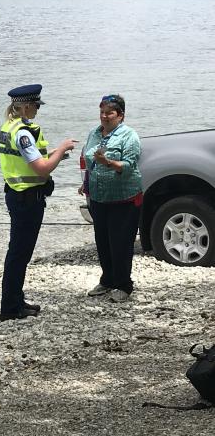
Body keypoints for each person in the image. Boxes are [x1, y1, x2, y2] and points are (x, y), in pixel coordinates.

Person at [0, 84, 78, 321]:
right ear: (23, 106)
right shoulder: (22, 132)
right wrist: (62, 148)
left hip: (18, 195)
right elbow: (41, 168)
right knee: (19, 254)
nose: (37, 110)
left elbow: (31, 159)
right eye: (34, 105)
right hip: (26, 199)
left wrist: (55, 154)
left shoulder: (10, 126)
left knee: (19, 252)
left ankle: (16, 299)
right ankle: (11, 308)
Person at [79, 94, 143, 303]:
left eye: (110, 113)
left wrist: (107, 161)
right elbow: (90, 162)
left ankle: (124, 285)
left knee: (121, 243)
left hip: (124, 199)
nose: (104, 117)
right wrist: (86, 184)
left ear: (121, 115)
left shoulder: (129, 136)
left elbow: (128, 166)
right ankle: (107, 280)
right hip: (98, 198)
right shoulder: (94, 133)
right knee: (103, 241)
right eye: (102, 113)